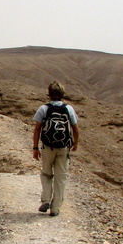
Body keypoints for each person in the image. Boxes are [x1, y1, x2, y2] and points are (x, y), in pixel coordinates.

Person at [32, 81, 79, 217]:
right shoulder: (68, 109)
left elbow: (37, 129)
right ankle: (55, 208)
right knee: (61, 177)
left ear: (49, 94)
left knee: (46, 173)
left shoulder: (44, 109)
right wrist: (75, 143)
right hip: (64, 148)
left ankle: (46, 199)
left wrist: (35, 147)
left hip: (48, 147)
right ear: (62, 94)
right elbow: (75, 128)